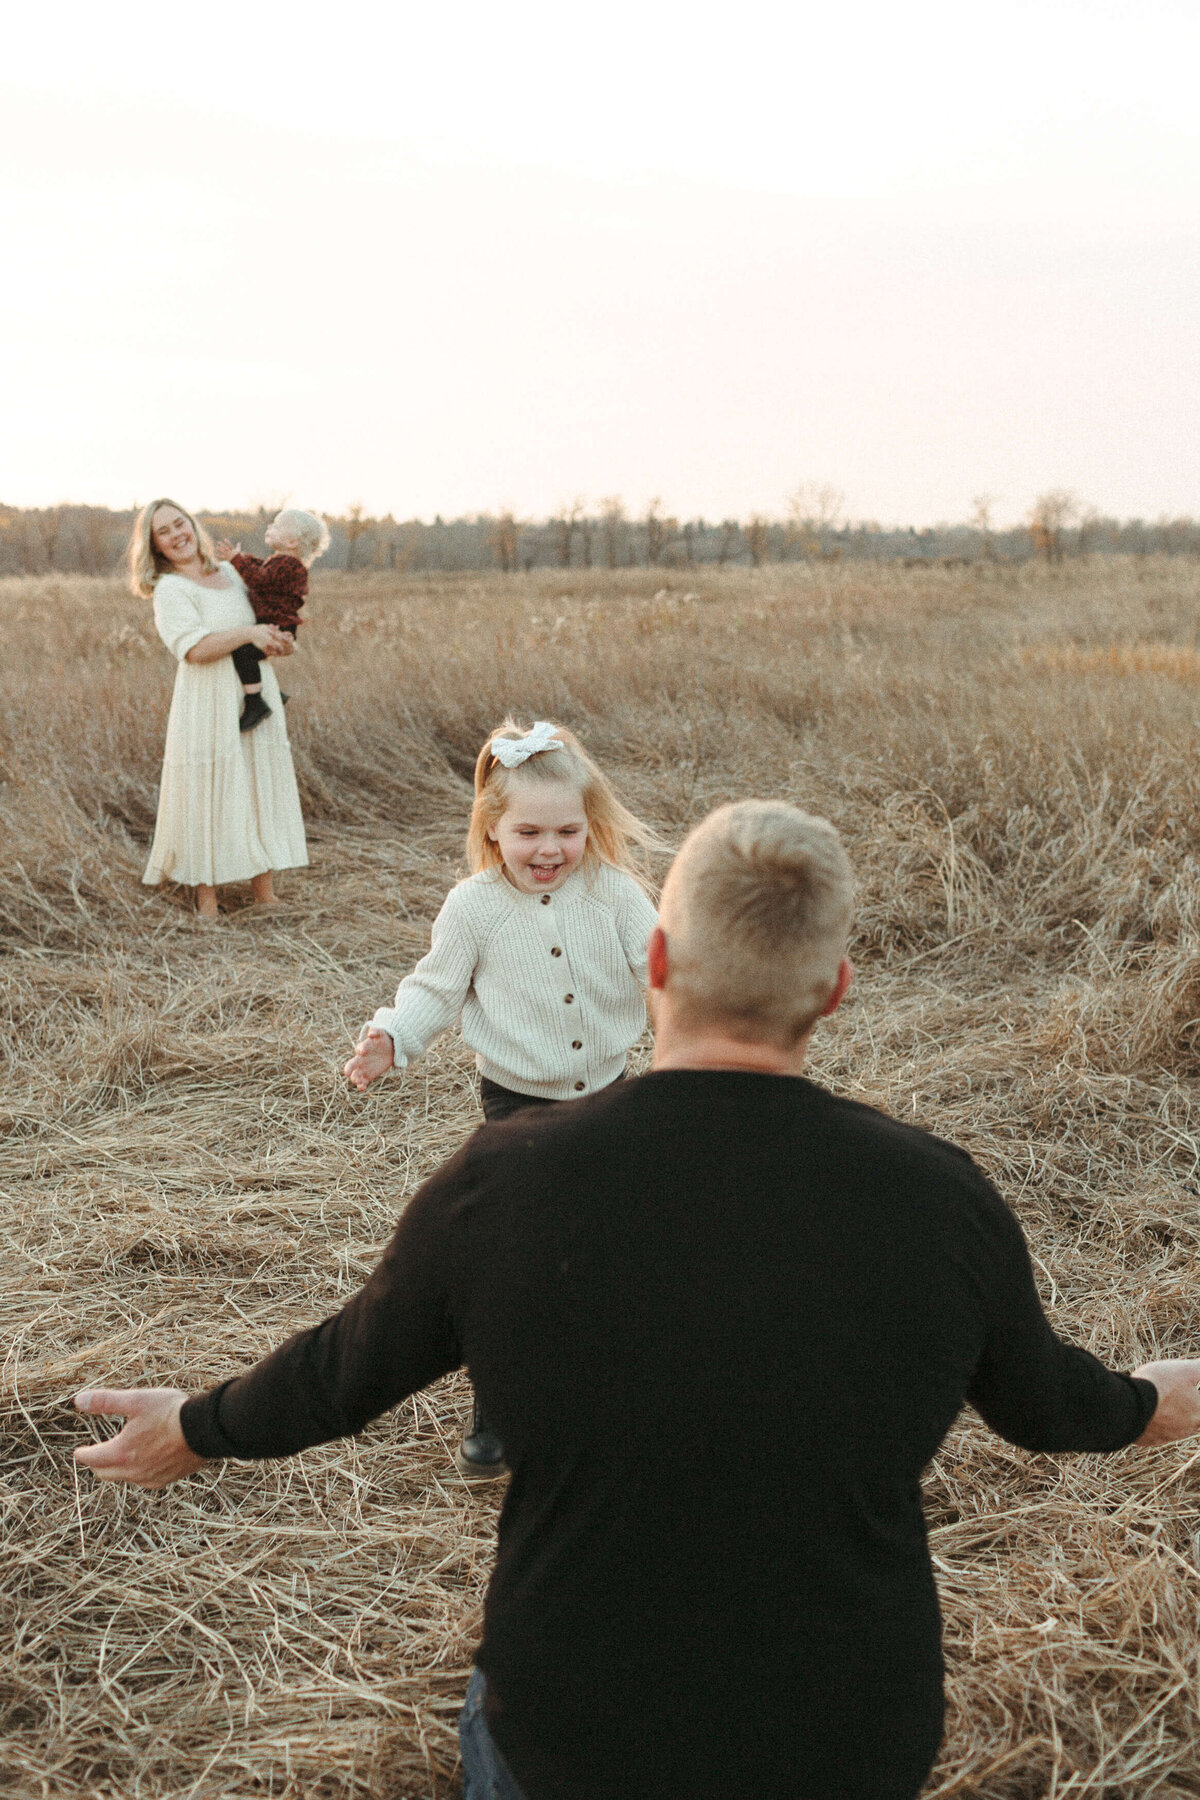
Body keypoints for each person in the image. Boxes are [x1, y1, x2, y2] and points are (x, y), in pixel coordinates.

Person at [73, 799, 1200, 1800]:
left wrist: (196, 1426)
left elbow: (340, 1374)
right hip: (846, 1739)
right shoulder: (938, 1197)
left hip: (572, 1736)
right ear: (837, 990)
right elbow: (1057, 1407)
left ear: (653, 961)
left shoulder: (503, 1181)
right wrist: (1161, 1397)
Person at [344, 715, 661, 1478]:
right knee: (518, 1252)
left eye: (566, 831)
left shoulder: (615, 894)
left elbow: (664, 969)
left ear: (590, 828)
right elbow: (434, 988)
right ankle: (501, 1398)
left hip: (610, 1096)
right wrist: (394, 1035)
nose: (548, 849)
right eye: (528, 833)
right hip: (516, 1105)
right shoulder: (474, 907)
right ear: (492, 831)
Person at [132, 499, 310, 918]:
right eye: (165, 531)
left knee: (255, 781)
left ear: (192, 525)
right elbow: (194, 649)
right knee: (207, 788)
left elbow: (263, 624)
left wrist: (278, 641)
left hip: (255, 693)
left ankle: (264, 893)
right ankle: (207, 900)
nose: (178, 535)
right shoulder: (170, 588)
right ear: (155, 545)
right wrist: (248, 631)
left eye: (181, 523)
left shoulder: (230, 572)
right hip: (207, 697)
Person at [213, 509, 330, 732]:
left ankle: (256, 702)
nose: (269, 527)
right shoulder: (282, 562)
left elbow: (259, 579)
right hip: (276, 624)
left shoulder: (288, 565)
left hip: (277, 626)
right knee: (249, 654)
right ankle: (273, 693)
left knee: (243, 653)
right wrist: (241, 559)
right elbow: (261, 569)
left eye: (276, 526)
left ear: (292, 541)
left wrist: (237, 560)